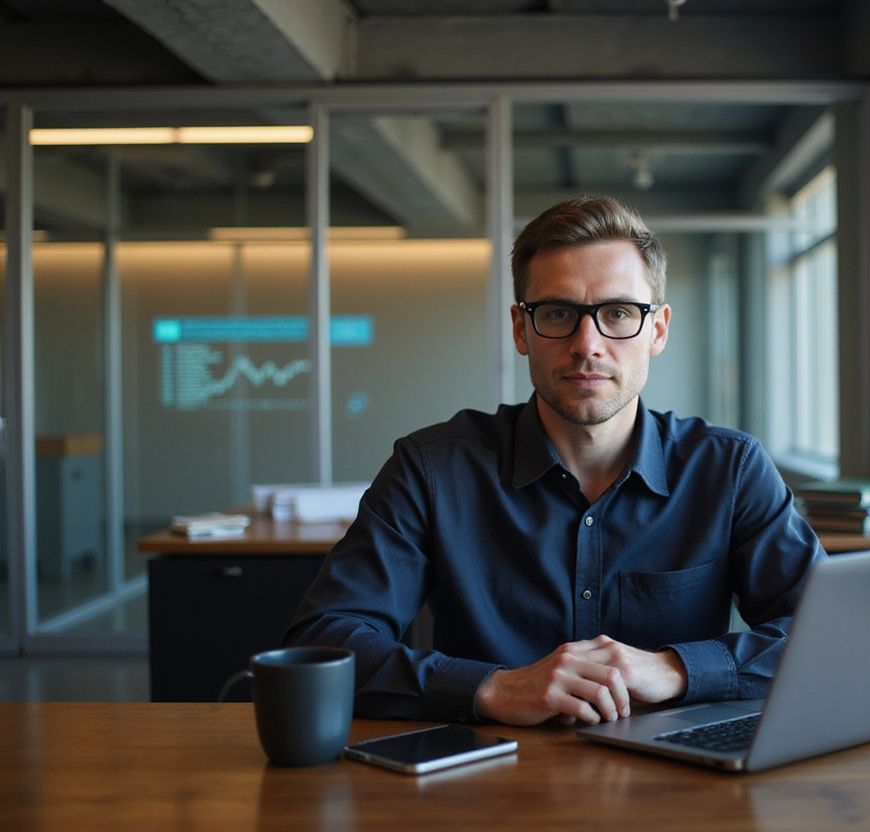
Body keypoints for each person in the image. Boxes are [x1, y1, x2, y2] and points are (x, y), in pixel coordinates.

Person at [284, 196, 824, 726]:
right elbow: (325, 641)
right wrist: (493, 687)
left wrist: (674, 668)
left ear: (657, 330)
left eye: (618, 313)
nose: (587, 344)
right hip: (485, 769)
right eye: (559, 313)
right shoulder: (431, 469)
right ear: (521, 329)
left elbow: (830, 635)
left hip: (679, 771)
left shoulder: (729, 470)